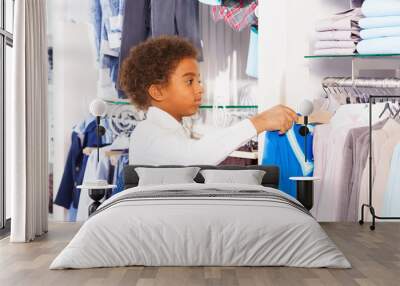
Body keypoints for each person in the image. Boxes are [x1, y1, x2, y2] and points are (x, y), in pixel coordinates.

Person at [119, 36, 298, 165]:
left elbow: (206, 141)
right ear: (158, 91)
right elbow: (193, 155)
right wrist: (259, 122)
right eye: (189, 81)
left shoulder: (171, 130)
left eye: (199, 81)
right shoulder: (147, 134)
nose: (200, 88)